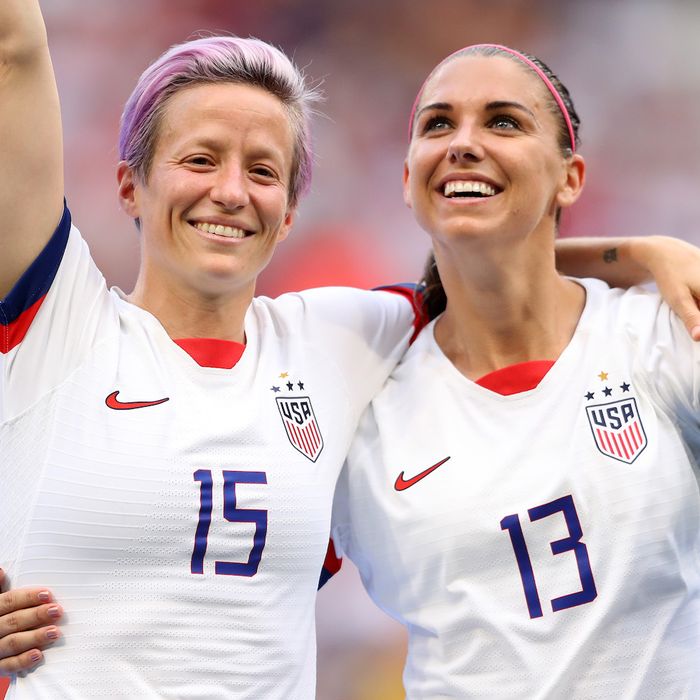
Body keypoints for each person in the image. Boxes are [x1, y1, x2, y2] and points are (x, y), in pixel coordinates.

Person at [1, 7, 699, 697]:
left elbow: (496, 260)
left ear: (290, 214)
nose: (231, 191)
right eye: (200, 160)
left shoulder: (337, 340)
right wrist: (640, 253)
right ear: (129, 184)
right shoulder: (59, 324)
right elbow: (16, 51)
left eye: (264, 171)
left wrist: (641, 253)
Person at [330, 44, 700, 699]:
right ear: (407, 176)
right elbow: (216, 582)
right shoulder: (360, 412)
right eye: (437, 124)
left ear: (571, 177)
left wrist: (641, 256)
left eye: (503, 121)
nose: (463, 143)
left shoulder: (662, 335)